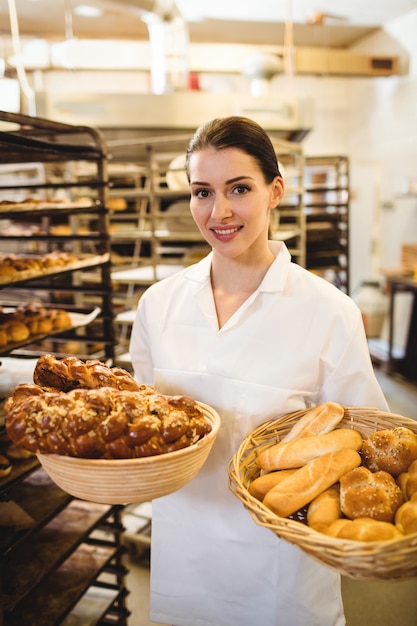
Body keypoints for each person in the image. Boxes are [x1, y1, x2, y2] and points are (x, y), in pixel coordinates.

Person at [129, 116, 389, 626]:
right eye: (202, 192)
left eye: (239, 189)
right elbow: (147, 433)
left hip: (282, 579)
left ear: (275, 191)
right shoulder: (158, 306)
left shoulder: (328, 312)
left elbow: (368, 447)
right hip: (184, 563)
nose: (219, 211)